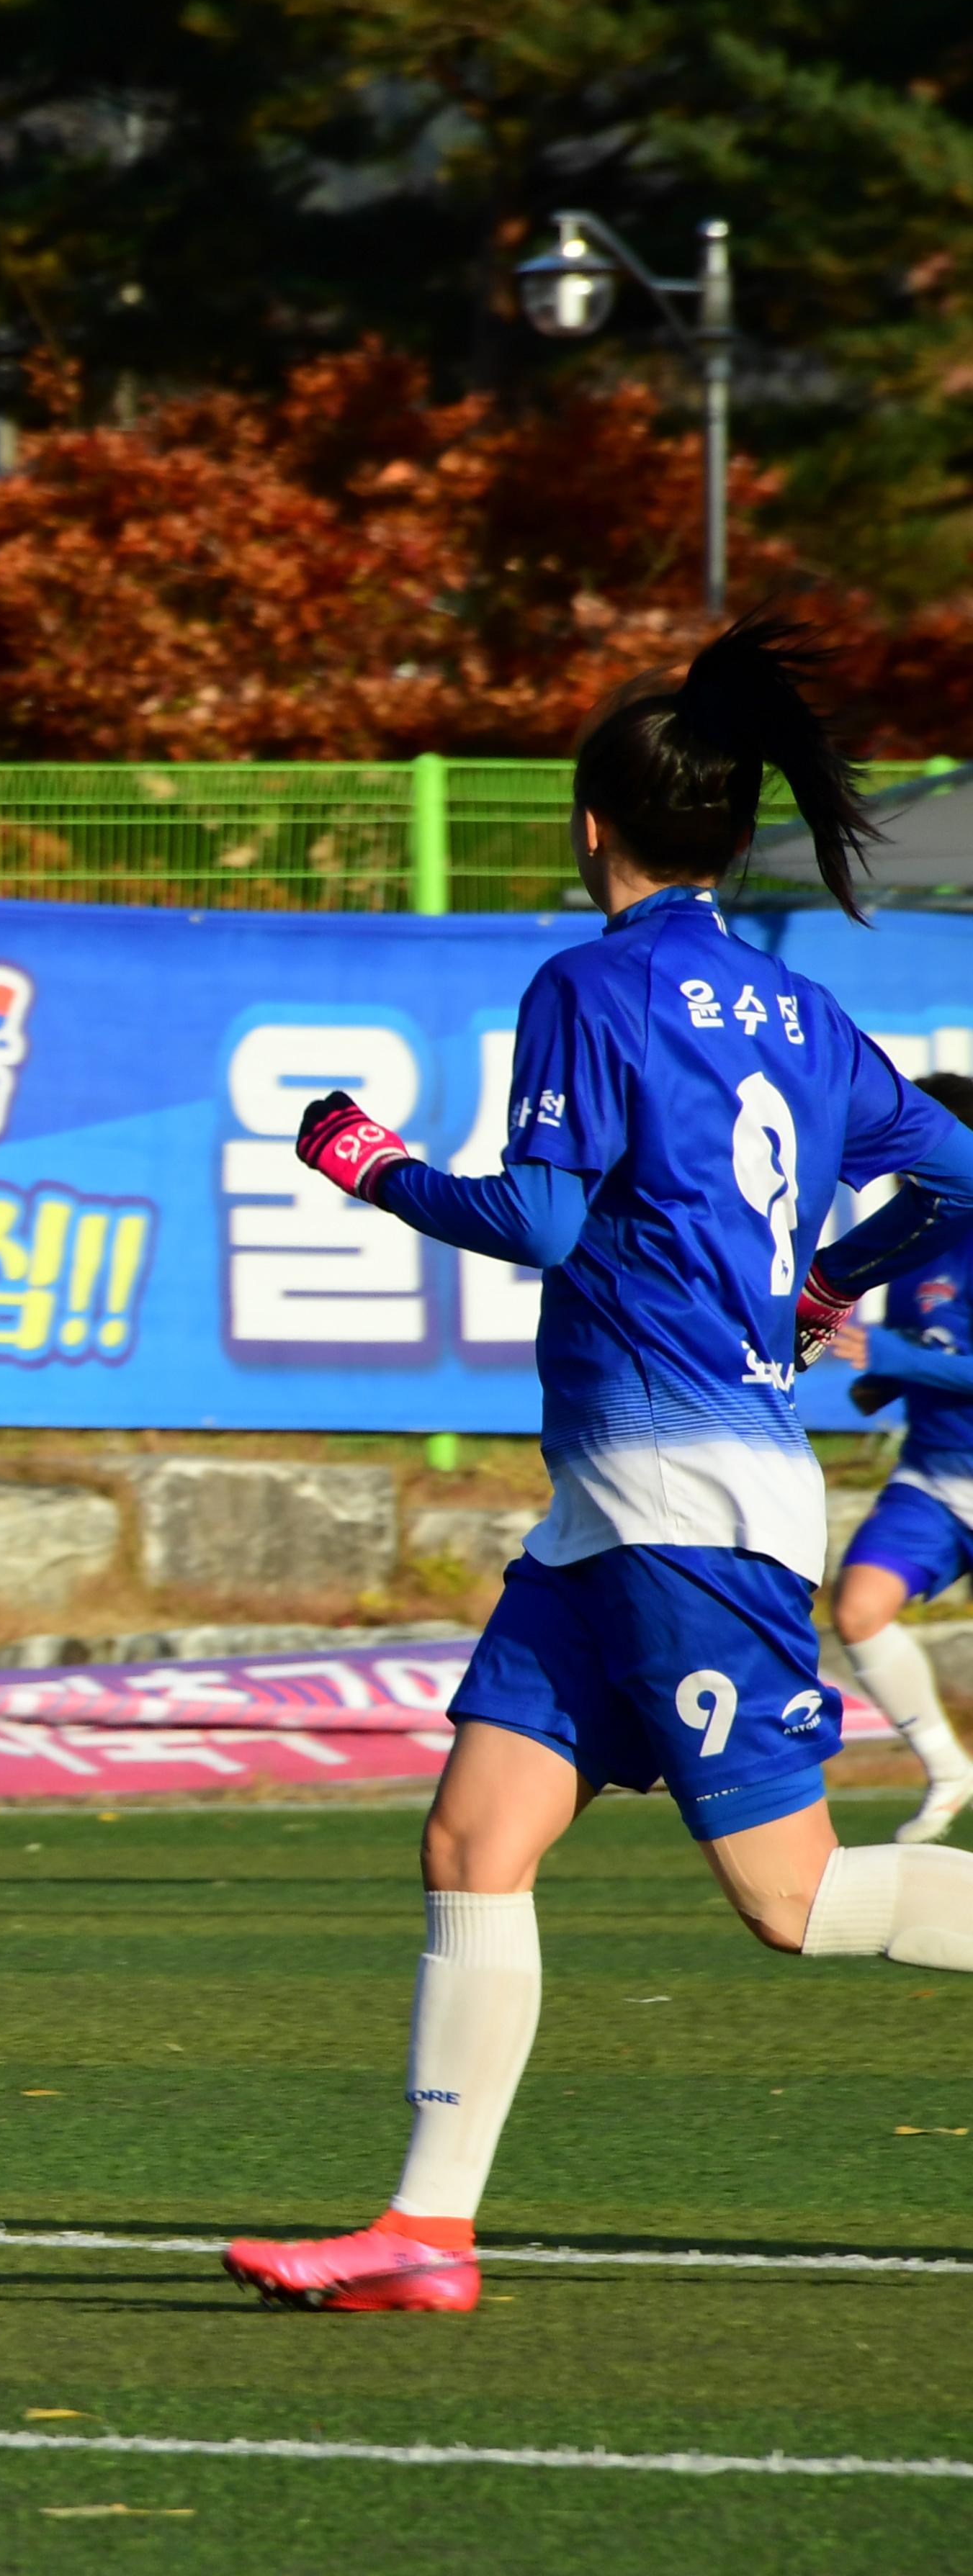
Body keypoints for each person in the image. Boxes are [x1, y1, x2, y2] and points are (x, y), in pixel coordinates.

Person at [232, 622, 973, 2312]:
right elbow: (951, 1174)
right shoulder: (794, 1006)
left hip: (685, 1509)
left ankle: (423, 2231)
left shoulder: (590, 983)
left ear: (590, 828)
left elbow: (544, 1219)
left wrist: (372, 1167)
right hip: (617, 1512)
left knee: (787, 1903)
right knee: (473, 1837)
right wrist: (829, 1284)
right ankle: (422, 2236)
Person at [833, 1071, 973, 1843]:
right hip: (937, 1475)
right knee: (857, 1609)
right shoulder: (911, 1236)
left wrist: (895, 1357)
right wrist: (879, 1380)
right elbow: (922, 1351)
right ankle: (949, 1768)